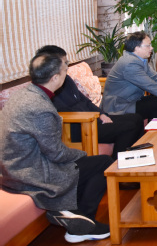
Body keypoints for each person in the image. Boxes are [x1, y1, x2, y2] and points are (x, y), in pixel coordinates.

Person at [0, 53, 113, 243]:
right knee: (102, 163)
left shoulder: (22, 95)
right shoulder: (40, 107)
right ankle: (81, 223)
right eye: (64, 71)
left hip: (10, 171)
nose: (66, 74)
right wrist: (82, 154)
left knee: (88, 163)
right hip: (29, 174)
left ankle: (75, 216)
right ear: (55, 78)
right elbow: (57, 153)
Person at [35, 45, 144, 159]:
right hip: (81, 126)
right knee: (129, 127)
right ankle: (119, 163)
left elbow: (85, 100)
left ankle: (139, 157)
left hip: (93, 119)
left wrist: (102, 114)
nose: (67, 66)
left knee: (136, 118)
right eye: (64, 63)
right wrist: (94, 117)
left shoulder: (66, 79)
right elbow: (64, 112)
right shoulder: (48, 87)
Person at [101, 31, 157, 121]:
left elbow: (156, 77)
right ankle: (156, 129)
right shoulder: (130, 63)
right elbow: (150, 85)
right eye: (148, 46)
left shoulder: (139, 59)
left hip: (131, 101)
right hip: (119, 106)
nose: (151, 48)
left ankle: (156, 127)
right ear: (137, 48)